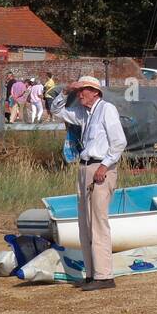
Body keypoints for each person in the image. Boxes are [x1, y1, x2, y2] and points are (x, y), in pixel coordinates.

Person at [50, 76, 127, 291]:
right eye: (79, 91)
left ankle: (104, 276)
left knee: (98, 222)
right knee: (85, 222)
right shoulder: (85, 114)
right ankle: (93, 274)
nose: (80, 94)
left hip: (100, 168)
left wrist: (104, 166)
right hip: (85, 168)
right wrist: (66, 91)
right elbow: (56, 110)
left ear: (94, 92)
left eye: (83, 90)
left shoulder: (107, 109)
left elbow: (119, 141)